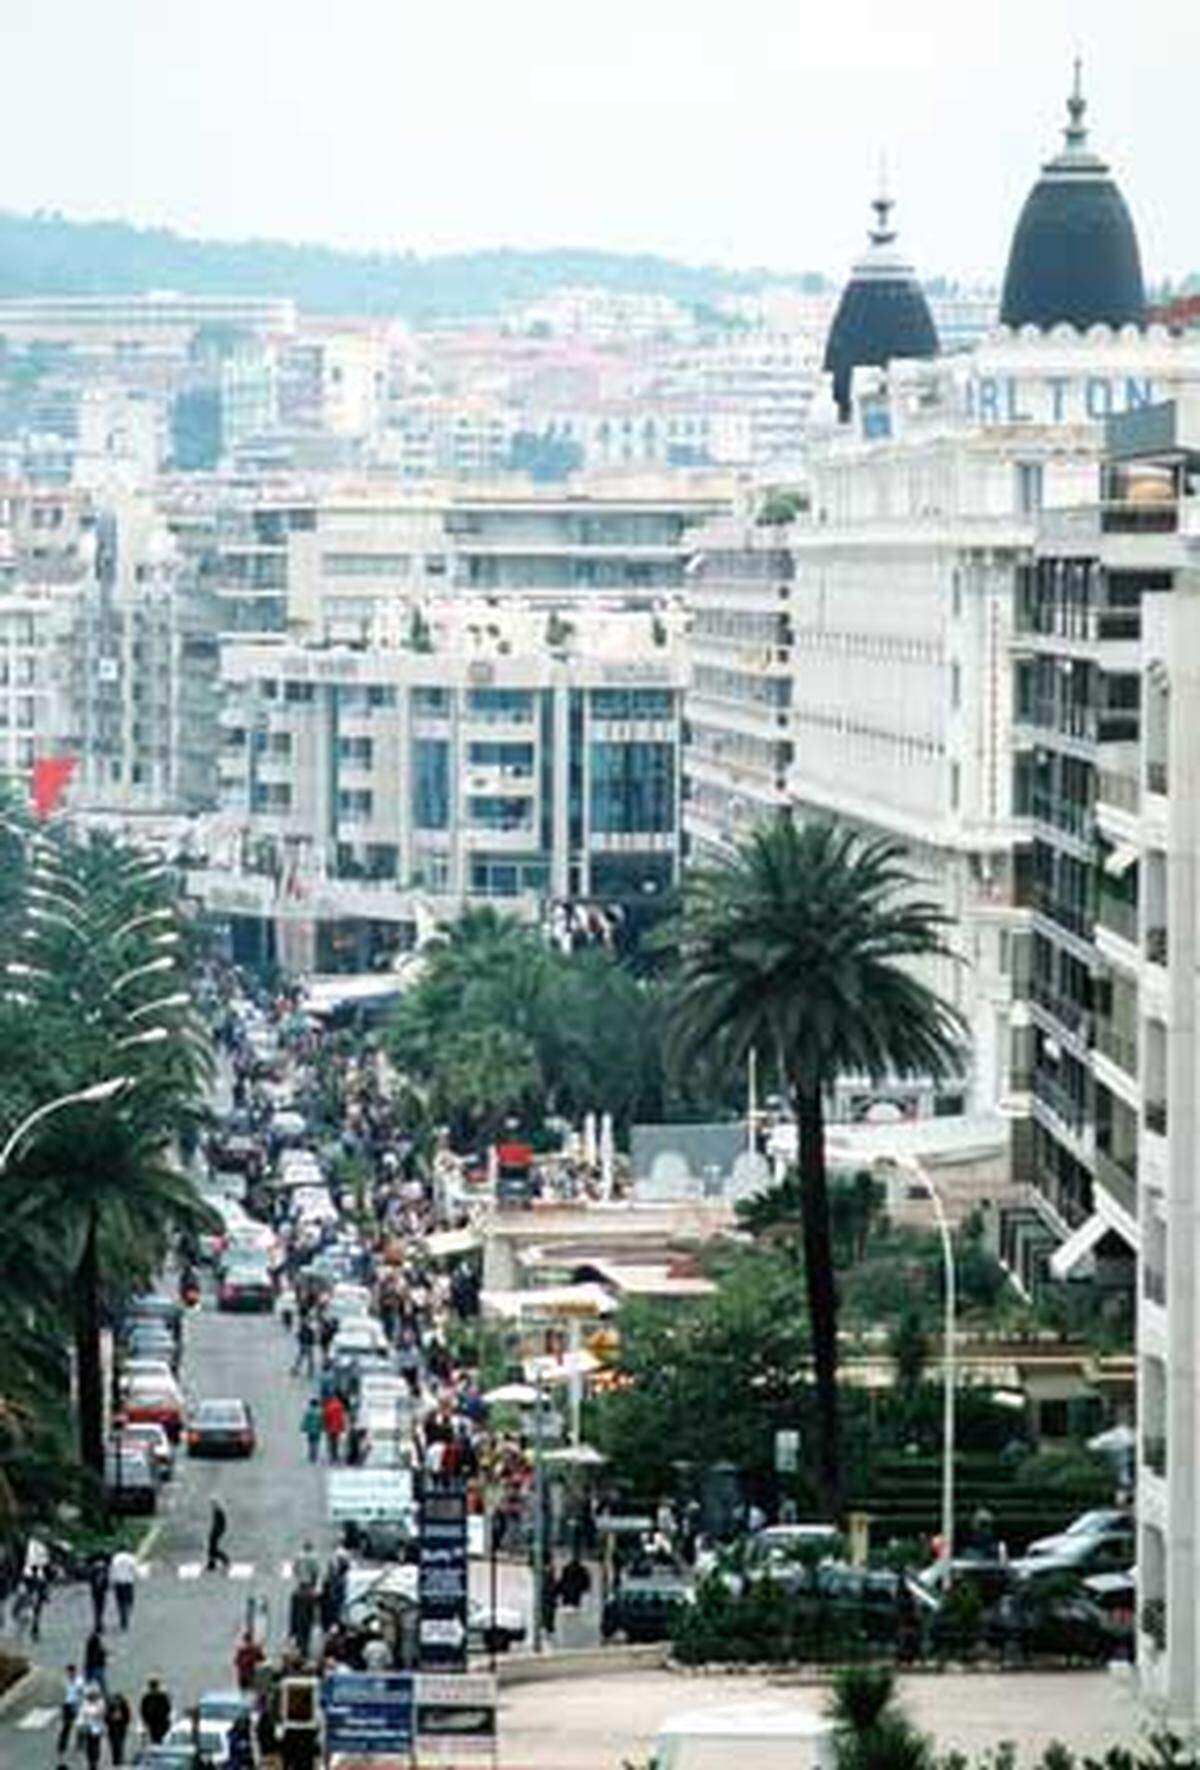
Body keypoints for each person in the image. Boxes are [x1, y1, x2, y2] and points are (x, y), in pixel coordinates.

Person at [57, 1663, 85, 1755]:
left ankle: (80, 1744)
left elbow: (82, 1693)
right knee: (66, 1726)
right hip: (67, 1705)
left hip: (76, 1705)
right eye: (68, 1672)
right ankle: (62, 1746)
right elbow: (64, 1694)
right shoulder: (65, 1681)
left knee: (79, 1725)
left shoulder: (80, 1682)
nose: (70, 1674)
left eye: (72, 1672)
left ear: (75, 1672)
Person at [77, 1683, 106, 1770]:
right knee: (89, 1747)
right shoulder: (85, 1703)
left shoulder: (100, 1703)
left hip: (97, 1728)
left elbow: (99, 1712)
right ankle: (91, 1762)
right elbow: (82, 1715)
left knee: (96, 1746)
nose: (92, 1696)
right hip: (88, 1729)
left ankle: (95, 1761)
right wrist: (80, 1725)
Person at [110, 1546, 138, 1632]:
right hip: (128, 1581)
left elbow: (112, 1570)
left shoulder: (115, 1558)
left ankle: (123, 1619)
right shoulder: (131, 1558)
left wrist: (112, 1581)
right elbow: (134, 1569)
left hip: (118, 1582)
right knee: (130, 1600)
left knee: (120, 1602)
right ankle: (127, 1613)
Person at [105, 1690, 132, 1766]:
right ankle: (117, 1758)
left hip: (118, 1727)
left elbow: (128, 1716)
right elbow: (106, 1717)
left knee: (117, 1743)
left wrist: (124, 1722)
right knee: (117, 1743)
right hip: (116, 1727)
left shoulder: (120, 1706)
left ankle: (117, 1758)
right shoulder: (112, 1706)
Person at [234, 1627, 264, 1692]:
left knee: (248, 1691)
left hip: (249, 1675)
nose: (248, 1642)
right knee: (245, 1691)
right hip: (245, 1676)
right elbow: (236, 1662)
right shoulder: (243, 1650)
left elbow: (262, 1659)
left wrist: (259, 1649)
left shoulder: (252, 1650)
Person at [87, 1551, 110, 1633]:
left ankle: (98, 1624)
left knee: (96, 1608)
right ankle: (100, 1624)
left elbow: (90, 1579)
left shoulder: (93, 1567)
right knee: (101, 1608)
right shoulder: (104, 1567)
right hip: (102, 1590)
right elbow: (106, 1578)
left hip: (94, 1591)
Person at [323, 1392, 347, 1464]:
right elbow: (341, 1418)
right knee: (336, 1442)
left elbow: (326, 1417)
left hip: (330, 1427)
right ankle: (335, 1456)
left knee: (331, 1442)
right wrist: (343, 1427)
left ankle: (332, 1457)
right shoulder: (340, 1406)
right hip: (337, 1427)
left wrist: (326, 1425)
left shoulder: (329, 1405)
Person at [207, 1497, 231, 1572]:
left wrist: (216, 1532)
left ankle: (225, 1560)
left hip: (217, 1532)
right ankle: (211, 1564)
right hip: (216, 1531)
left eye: (212, 1504)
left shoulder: (218, 1511)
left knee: (213, 1549)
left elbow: (220, 1524)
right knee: (211, 1549)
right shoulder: (217, 1511)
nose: (211, 1505)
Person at [83, 1626, 107, 1694]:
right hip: (95, 1667)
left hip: (90, 1666)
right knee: (102, 1686)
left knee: (88, 1685)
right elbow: (96, 1654)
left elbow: (89, 1654)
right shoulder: (95, 1641)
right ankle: (106, 1700)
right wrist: (103, 1654)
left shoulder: (91, 1640)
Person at [301, 1395, 323, 1465]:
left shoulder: (308, 1412)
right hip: (317, 1430)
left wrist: (303, 1428)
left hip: (310, 1430)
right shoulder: (319, 1412)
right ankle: (315, 1455)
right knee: (316, 1443)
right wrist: (322, 1427)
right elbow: (321, 1421)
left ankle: (311, 1456)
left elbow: (306, 1421)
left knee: (310, 1443)